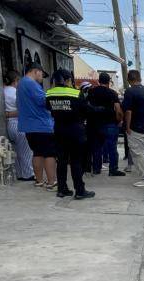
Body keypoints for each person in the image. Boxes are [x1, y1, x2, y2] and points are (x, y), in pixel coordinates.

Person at [45, 69, 95, 200]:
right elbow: (86, 110)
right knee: (76, 161)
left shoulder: (49, 93)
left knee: (61, 161)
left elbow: (48, 108)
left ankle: (62, 189)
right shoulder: (75, 93)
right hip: (75, 130)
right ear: (68, 80)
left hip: (59, 130)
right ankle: (79, 190)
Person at [17, 62, 56, 189]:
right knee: (49, 154)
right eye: (41, 74)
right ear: (36, 71)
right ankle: (52, 182)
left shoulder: (21, 84)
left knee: (37, 153)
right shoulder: (31, 84)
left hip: (29, 126)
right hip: (42, 125)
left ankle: (39, 181)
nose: (42, 77)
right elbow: (44, 101)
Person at [122, 70, 144, 187]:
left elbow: (128, 111)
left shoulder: (130, 92)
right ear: (139, 78)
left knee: (139, 153)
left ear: (129, 79)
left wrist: (127, 127)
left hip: (136, 128)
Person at [87, 72, 126, 176]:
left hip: (94, 124)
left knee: (97, 148)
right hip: (110, 123)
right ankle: (113, 170)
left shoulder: (91, 92)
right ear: (109, 81)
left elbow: (87, 106)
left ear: (99, 81)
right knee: (112, 148)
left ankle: (96, 169)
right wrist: (119, 120)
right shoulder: (112, 93)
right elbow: (118, 109)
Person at [4, 70, 34, 181]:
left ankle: (19, 174)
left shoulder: (3, 91)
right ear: (16, 80)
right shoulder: (16, 92)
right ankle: (28, 174)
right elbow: (24, 107)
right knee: (26, 151)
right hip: (19, 123)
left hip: (8, 124)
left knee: (16, 151)